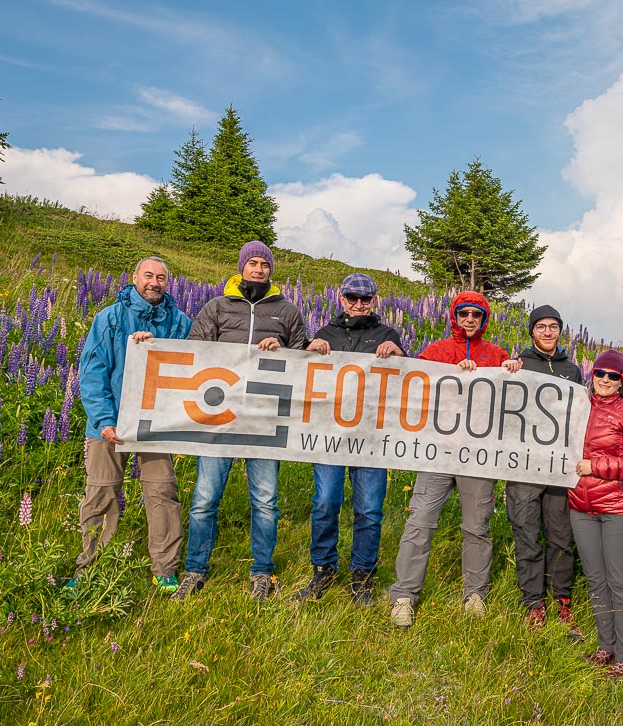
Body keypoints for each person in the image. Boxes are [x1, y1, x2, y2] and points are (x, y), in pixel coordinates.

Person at [172, 241, 308, 602]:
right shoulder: (216, 306)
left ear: (271, 270)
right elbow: (196, 351)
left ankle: (261, 572)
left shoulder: (288, 311)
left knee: (265, 501)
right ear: (242, 267)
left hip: (264, 419)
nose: (260, 269)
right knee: (204, 499)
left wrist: (286, 352)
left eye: (265, 264)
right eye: (254, 263)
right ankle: (194, 569)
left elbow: (304, 361)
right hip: (218, 417)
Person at [389, 291, 521, 627]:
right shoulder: (436, 350)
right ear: (455, 315)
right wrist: (451, 371)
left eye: (477, 315)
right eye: (464, 314)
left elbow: (513, 396)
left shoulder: (496, 353)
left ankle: (475, 594)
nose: (470, 320)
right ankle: (404, 595)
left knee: (477, 526)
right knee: (419, 521)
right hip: (438, 450)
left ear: (484, 319)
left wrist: (513, 370)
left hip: (478, 454)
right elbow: (414, 384)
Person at [72, 256, 192, 594]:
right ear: (134, 277)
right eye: (148, 275)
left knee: (162, 492)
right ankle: (89, 568)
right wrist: (104, 421)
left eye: (162, 278)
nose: (154, 282)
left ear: (169, 284)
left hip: (155, 424)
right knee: (101, 494)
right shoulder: (109, 318)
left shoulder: (180, 322)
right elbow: (92, 374)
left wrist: (157, 345)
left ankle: (164, 569)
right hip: (109, 425)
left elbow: (192, 368)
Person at [300, 273, 406, 605]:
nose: (359, 304)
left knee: (370, 510)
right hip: (330, 434)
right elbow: (306, 377)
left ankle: (363, 575)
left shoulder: (388, 334)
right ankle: (323, 569)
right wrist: (309, 350)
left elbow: (409, 384)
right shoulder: (326, 332)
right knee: (326, 503)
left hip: (371, 437)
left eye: (366, 298)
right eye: (352, 298)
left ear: (375, 301)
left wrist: (400, 354)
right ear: (341, 299)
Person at [568, 349, 623, 678]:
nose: (605, 380)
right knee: (596, 580)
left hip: (619, 509)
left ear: (622, 381)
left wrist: (596, 466)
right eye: (600, 373)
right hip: (582, 507)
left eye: (612, 375)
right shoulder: (576, 408)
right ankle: (606, 646)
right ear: (592, 375)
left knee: (621, 583)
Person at [504, 305, 583, 636]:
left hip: (559, 466)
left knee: (561, 536)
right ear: (532, 331)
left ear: (560, 331)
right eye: (541, 327)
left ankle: (561, 600)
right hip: (524, 464)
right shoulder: (518, 365)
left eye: (553, 327)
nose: (548, 332)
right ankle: (533, 603)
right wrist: (505, 371)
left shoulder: (573, 371)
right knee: (526, 534)